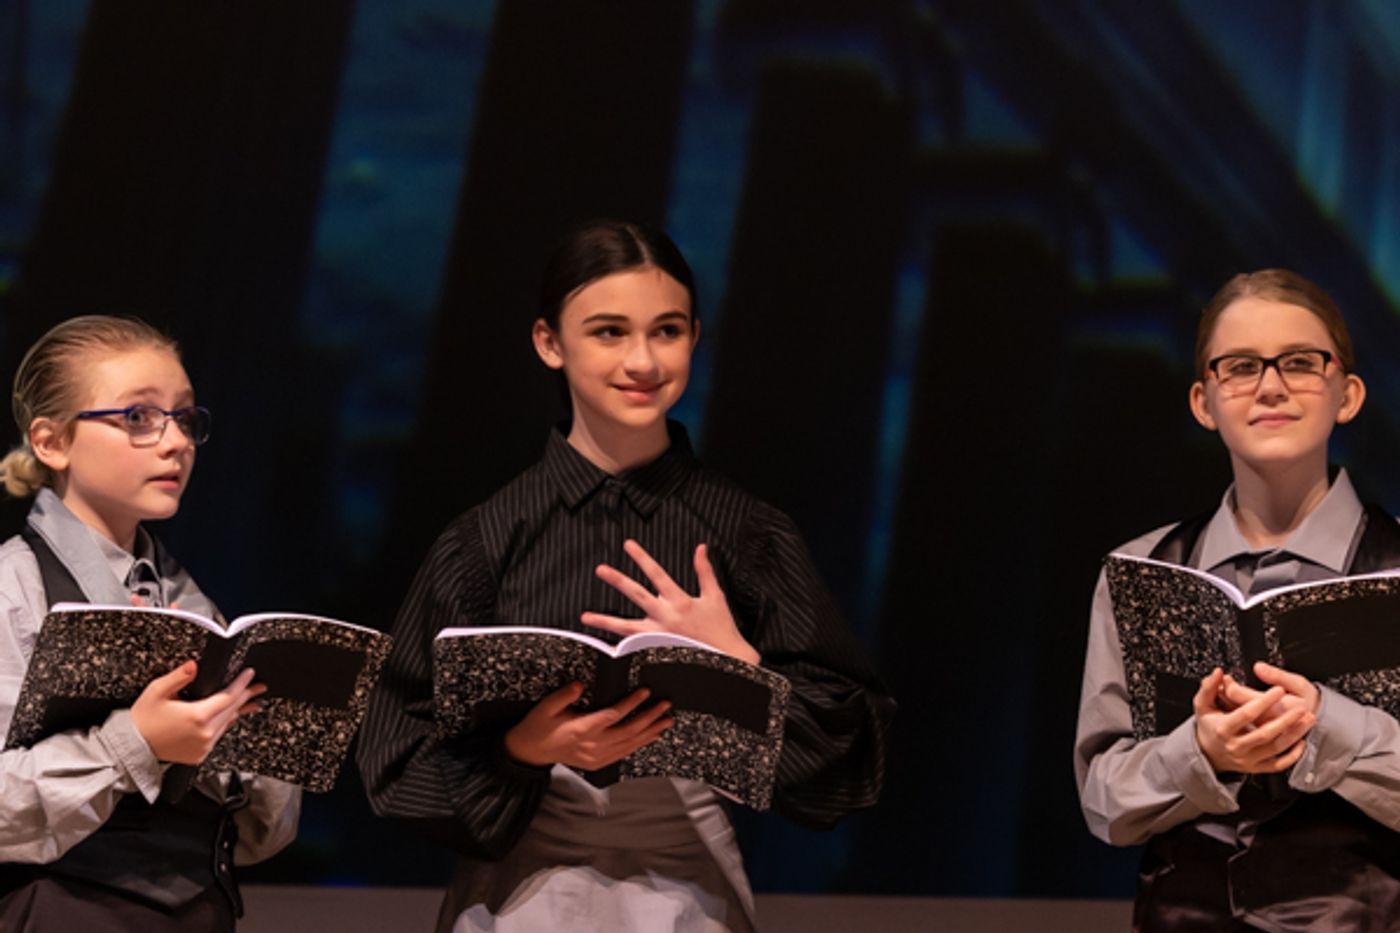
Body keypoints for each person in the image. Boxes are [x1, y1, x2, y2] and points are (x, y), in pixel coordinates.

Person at [358, 219, 894, 932]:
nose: (643, 359)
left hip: (687, 891)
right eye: (609, 331)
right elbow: (394, 755)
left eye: (666, 331)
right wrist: (526, 748)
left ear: (695, 338)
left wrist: (739, 663)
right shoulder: (486, 538)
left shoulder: (748, 532)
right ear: (550, 342)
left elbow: (852, 750)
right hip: (520, 891)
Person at [1074, 269, 1400, 931]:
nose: (1271, 385)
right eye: (1242, 366)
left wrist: (1325, 726)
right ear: (1204, 400)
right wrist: (1202, 750)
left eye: (1301, 362)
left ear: (1348, 392)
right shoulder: (1138, 570)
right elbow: (1104, 798)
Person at [0, 315, 301, 931]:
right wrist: (135, 741)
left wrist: (269, 747)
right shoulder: (12, 591)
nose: (175, 442)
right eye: (138, 418)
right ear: (52, 442)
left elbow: (262, 835)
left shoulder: (194, 607)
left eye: (185, 418)